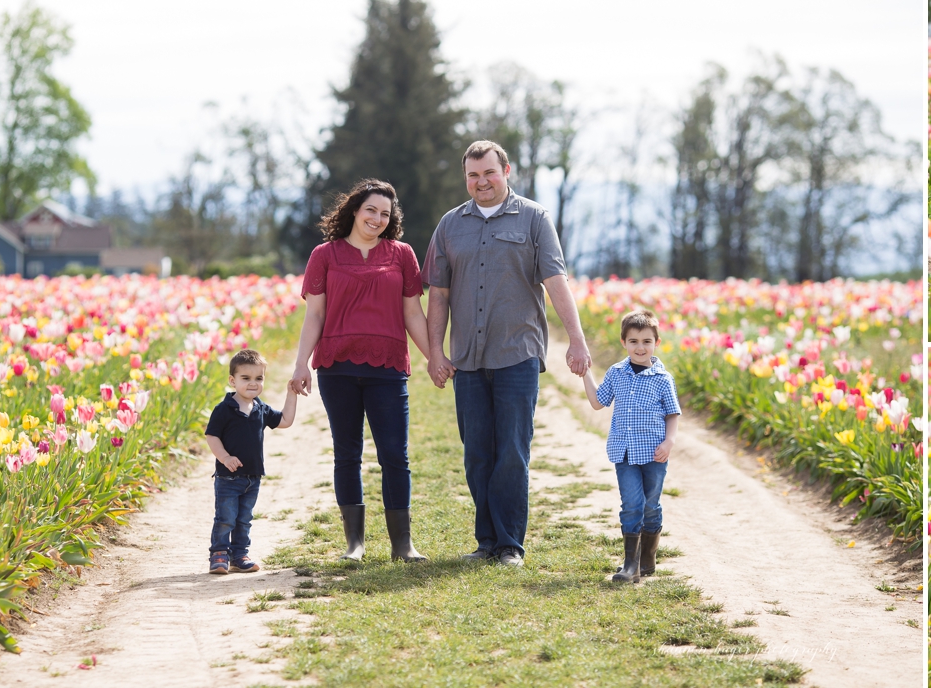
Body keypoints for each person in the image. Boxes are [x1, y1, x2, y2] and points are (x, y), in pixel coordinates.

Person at [424, 140, 592, 567]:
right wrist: (434, 352)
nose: (481, 182)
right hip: (467, 357)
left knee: (513, 450)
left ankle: (510, 545)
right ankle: (486, 542)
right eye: (473, 176)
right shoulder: (449, 225)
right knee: (477, 450)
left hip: (517, 352)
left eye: (489, 173)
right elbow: (438, 294)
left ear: (506, 171)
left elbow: (556, 283)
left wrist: (577, 339)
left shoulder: (535, 218)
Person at [292, 179, 434, 563]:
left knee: (394, 455)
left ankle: (402, 545)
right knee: (347, 454)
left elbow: (412, 314)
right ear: (354, 210)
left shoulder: (402, 254)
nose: (377, 218)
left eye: (385, 214)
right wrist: (301, 364)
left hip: (387, 367)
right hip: (336, 367)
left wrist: (434, 356)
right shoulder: (324, 255)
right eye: (371, 210)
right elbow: (315, 315)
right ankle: (354, 543)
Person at [580, 310, 681, 583]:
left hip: (654, 454)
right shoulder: (616, 373)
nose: (640, 347)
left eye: (646, 341)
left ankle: (648, 558)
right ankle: (630, 565)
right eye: (634, 341)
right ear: (624, 342)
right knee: (631, 504)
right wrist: (585, 372)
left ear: (656, 343)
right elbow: (598, 402)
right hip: (624, 452)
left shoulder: (663, 378)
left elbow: (673, 414)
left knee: (650, 504)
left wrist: (669, 441)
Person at [205, 349, 298, 574]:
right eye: (245, 378)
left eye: (259, 378)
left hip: (252, 477)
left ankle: (239, 554)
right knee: (226, 518)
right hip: (228, 477)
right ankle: (219, 554)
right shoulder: (224, 409)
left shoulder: (261, 408)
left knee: (244, 519)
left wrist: (291, 393)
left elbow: (285, 420)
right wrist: (225, 457)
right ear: (232, 380)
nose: (253, 384)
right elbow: (212, 435)